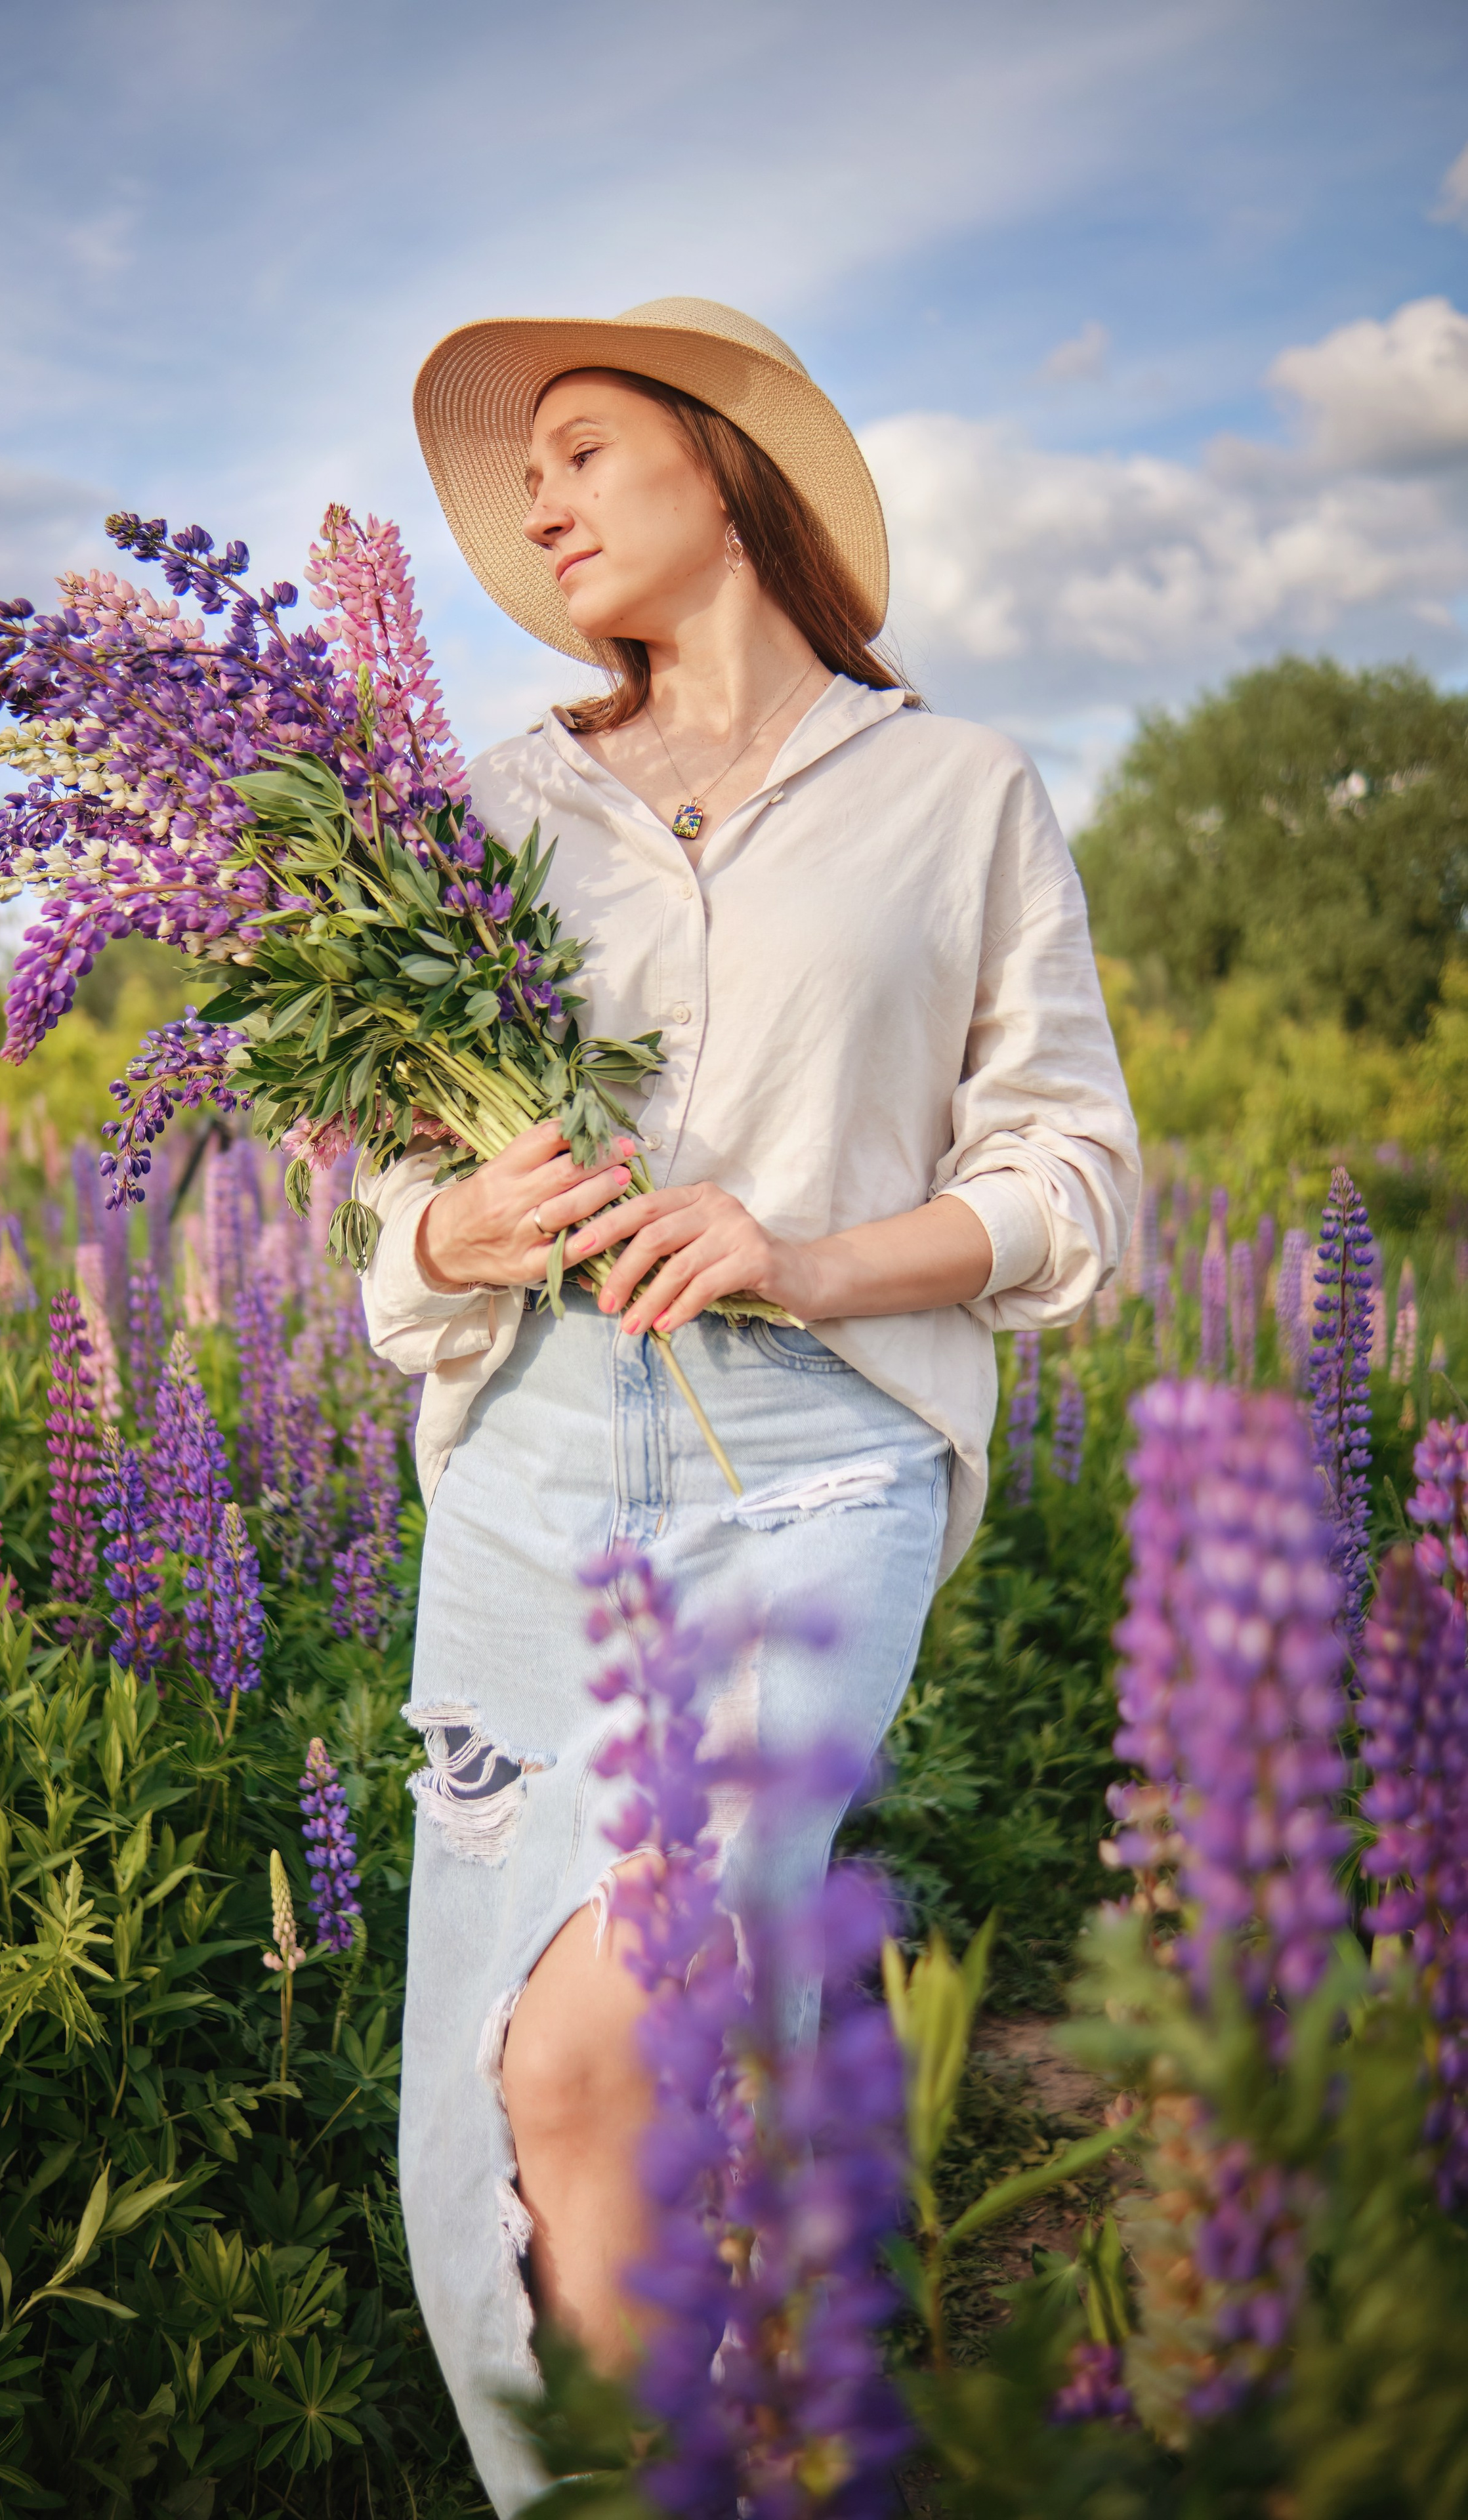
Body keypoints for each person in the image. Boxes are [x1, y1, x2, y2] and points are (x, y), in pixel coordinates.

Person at [362, 297, 1139, 2513]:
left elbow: (1069, 1177)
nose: (542, 495)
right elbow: (389, 1225)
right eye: (532, 472)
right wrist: (457, 1231)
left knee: (634, 2013)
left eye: (588, 448)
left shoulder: (956, 788)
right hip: (526, 1482)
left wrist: (801, 1254)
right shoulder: (490, 807)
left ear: (729, 468)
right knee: (572, 2085)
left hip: (814, 1473)